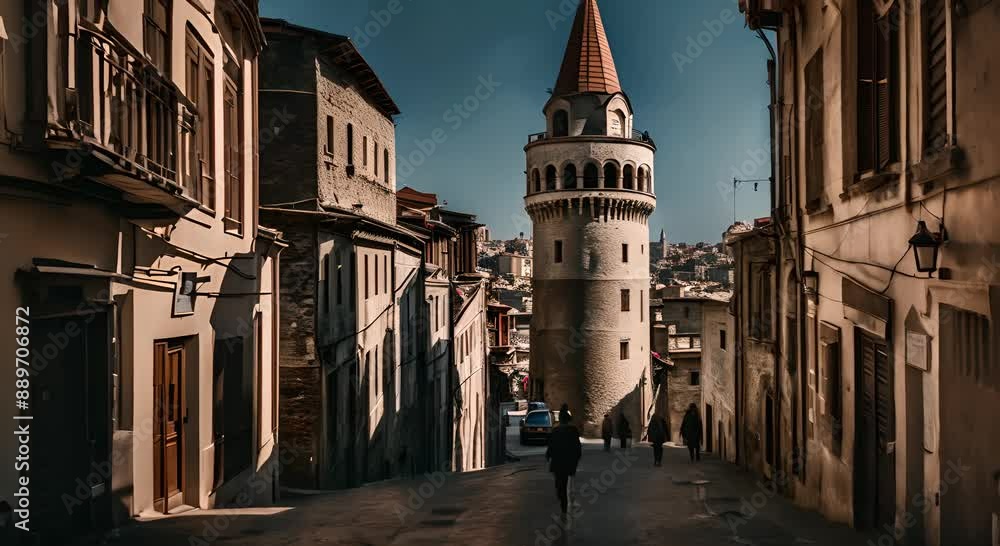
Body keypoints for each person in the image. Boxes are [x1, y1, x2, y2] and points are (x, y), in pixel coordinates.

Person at [546, 404, 582, 516]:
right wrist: (576, 459)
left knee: (559, 483)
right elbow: (577, 447)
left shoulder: (555, 431)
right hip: (568, 462)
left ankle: (563, 502)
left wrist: (548, 455)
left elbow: (551, 446)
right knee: (564, 482)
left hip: (558, 462)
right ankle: (564, 503)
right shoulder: (573, 430)